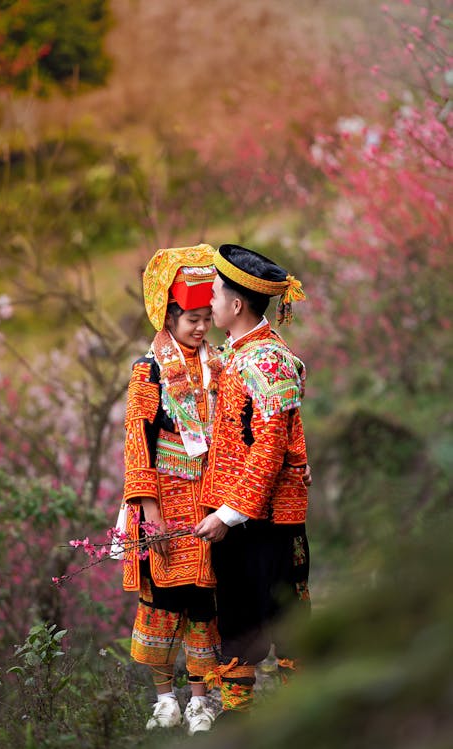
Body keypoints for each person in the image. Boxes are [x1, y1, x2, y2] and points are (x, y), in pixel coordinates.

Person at [194, 243, 311, 715]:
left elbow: (269, 446)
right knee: (238, 619)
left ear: (237, 304)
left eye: (216, 293)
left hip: (266, 518)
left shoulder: (265, 359)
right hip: (241, 513)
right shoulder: (240, 353)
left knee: (284, 619)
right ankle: (240, 720)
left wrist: (229, 513)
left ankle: (301, 717)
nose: (211, 302)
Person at [120, 244, 222, 735]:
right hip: (162, 500)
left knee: (203, 602)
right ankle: (165, 698)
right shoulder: (149, 369)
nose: (201, 328)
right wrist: (149, 512)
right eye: (191, 319)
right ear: (169, 316)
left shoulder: (218, 366)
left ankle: (201, 699)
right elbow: (136, 442)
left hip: (206, 500)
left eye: (206, 318)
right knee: (161, 601)